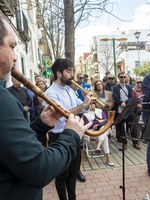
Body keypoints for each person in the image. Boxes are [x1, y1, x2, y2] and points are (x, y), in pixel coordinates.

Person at [0, 17, 91, 200]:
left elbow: (11, 146)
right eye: (11, 46)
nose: (15, 56)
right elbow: (39, 169)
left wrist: (41, 124)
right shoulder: (3, 99)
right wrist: (72, 135)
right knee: (63, 175)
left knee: (72, 173)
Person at [45, 58, 95, 200]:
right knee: (62, 175)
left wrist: (88, 103)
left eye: (72, 70)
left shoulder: (69, 89)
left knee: (73, 172)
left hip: (74, 135)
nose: (72, 74)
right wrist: (82, 106)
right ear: (59, 73)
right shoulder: (51, 93)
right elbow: (63, 115)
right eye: (68, 71)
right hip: (59, 136)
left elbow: (80, 106)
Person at [82, 102, 114, 166]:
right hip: (93, 131)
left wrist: (99, 122)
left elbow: (106, 120)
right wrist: (96, 123)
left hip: (102, 129)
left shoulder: (99, 110)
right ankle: (108, 157)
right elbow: (86, 126)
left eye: (93, 103)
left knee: (103, 128)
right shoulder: (85, 114)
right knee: (105, 137)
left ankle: (98, 146)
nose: (92, 105)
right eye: (90, 103)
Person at [112, 71, 134, 150]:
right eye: (121, 77)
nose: (123, 78)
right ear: (118, 78)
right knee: (121, 127)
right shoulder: (115, 88)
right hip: (120, 109)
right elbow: (115, 97)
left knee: (131, 125)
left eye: (124, 77)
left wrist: (127, 103)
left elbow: (131, 97)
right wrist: (121, 103)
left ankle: (135, 142)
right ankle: (124, 143)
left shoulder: (129, 87)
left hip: (128, 109)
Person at [131, 77, 143, 150]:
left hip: (145, 110)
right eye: (138, 82)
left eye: (141, 82)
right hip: (136, 110)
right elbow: (132, 100)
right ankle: (136, 142)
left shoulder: (145, 89)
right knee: (136, 127)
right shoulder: (133, 90)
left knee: (143, 126)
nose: (139, 84)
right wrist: (139, 105)